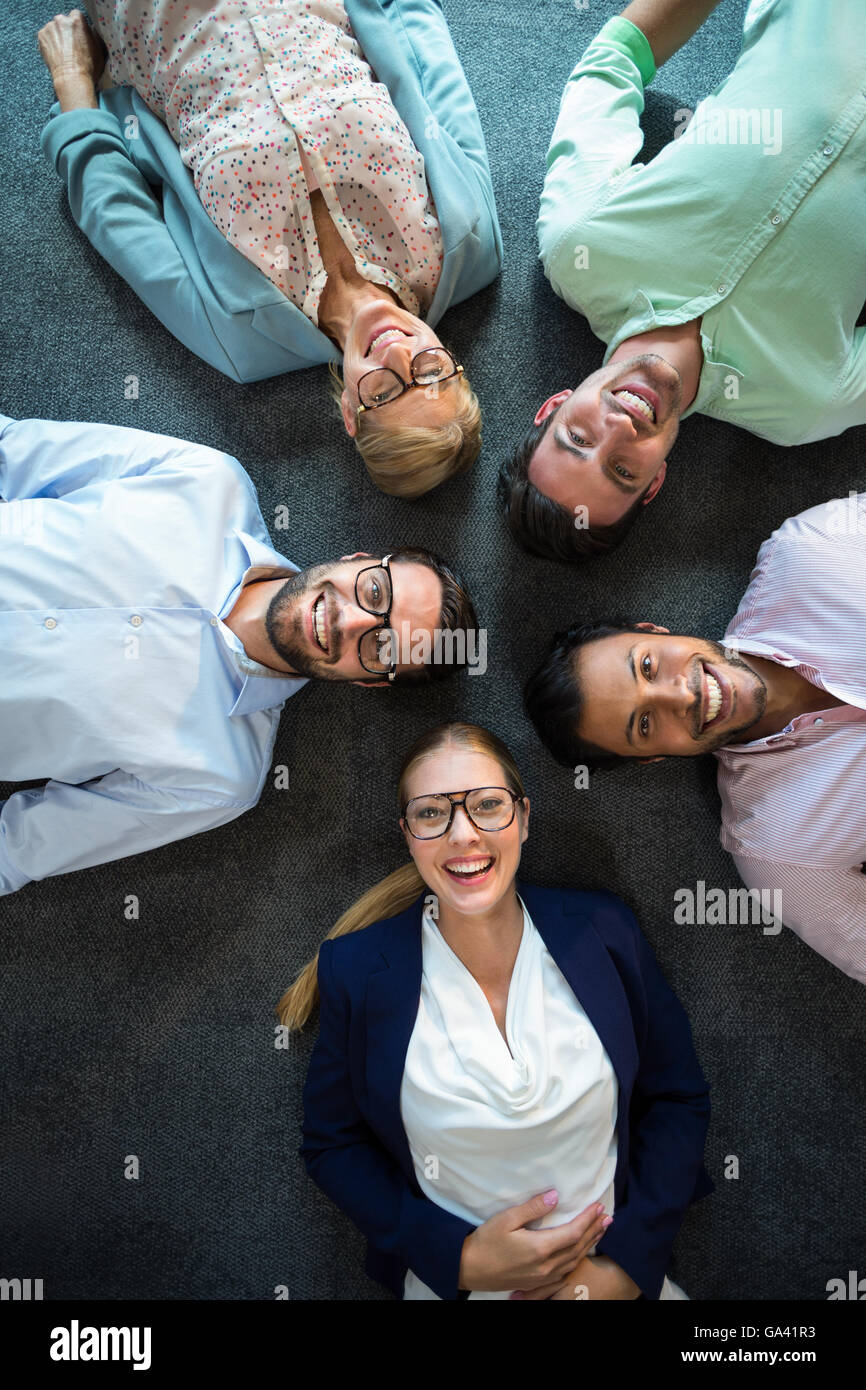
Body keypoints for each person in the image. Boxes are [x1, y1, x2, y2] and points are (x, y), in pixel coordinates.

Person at [281, 721, 711, 1300]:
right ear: (408, 835)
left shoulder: (603, 930)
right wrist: (454, 1258)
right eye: (433, 813)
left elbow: (676, 1098)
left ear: (524, 818)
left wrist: (627, 1268)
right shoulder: (355, 969)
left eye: (487, 805)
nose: (463, 835)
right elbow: (332, 1144)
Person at [36, 3, 504, 497]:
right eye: (429, 371)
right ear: (451, 359)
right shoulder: (468, 244)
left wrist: (72, 81)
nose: (397, 353)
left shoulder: (241, 338)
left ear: (349, 410)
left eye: (384, 392)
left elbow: (121, 220)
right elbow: (438, 80)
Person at [0, 414, 478, 896]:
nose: (350, 620)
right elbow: (12, 451)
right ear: (358, 560)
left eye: (382, 646)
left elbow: (20, 849)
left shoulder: (222, 777)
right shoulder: (211, 481)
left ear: (368, 681)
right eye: (375, 592)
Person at [499, 0, 866, 559]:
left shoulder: (580, 245)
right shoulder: (803, 405)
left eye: (579, 438)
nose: (618, 429)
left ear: (554, 406)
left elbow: (614, 61)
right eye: (622, 470)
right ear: (655, 482)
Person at [523, 492, 866, 984]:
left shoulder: (816, 550)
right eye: (644, 724)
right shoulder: (778, 855)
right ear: (652, 759)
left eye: (646, 665)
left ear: (655, 629)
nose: (680, 694)